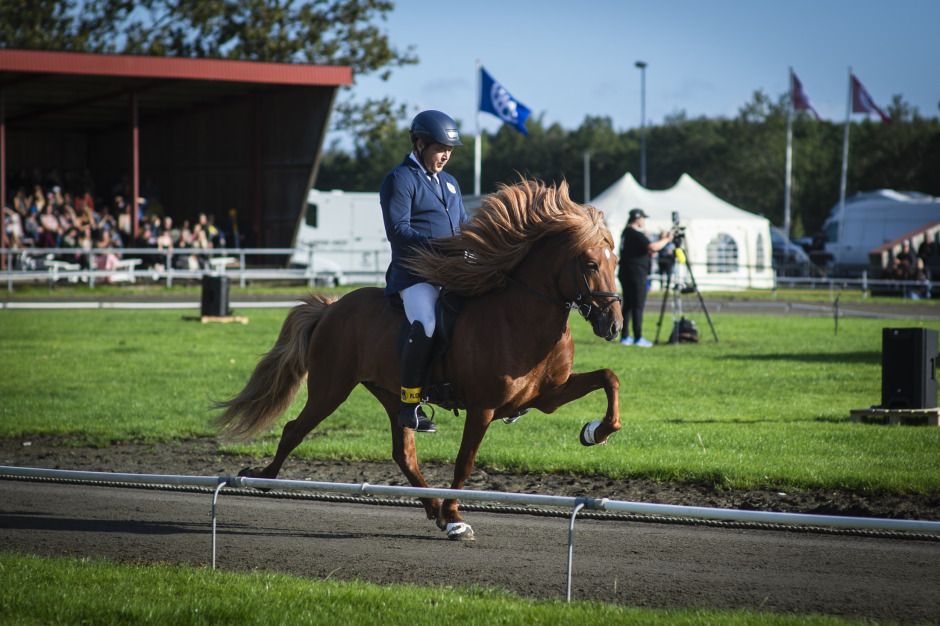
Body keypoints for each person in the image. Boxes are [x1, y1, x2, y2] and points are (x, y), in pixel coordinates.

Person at [380, 110, 468, 433]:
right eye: (440, 148)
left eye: (450, 150)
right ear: (419, 145)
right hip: (414, 274)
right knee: (427, 324)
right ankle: (410, 406)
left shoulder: (450, 183)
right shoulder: (400, 178)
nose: (445, 156)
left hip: (451, 272)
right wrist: (441, 247)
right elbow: (398, 230)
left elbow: (465, 225)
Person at [618, 208, 674, 347]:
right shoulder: (635, 233)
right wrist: (666, 239)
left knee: (628, 305)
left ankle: (625, 336)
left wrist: (647, 254)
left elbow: (641, 250)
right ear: (637, 218)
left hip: (626, 271)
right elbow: (653, 247)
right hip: (636, 273)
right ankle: (638, 337)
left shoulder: (626, 232)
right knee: (638, 305)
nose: (644, 221)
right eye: (643, 218)